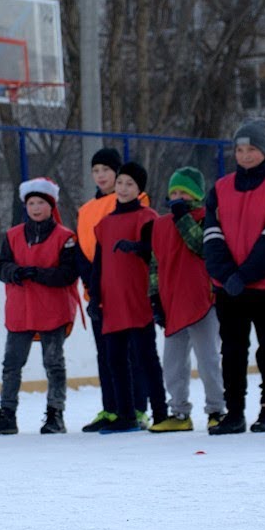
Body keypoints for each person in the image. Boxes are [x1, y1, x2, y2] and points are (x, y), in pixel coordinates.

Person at [203, 118, 265, 434]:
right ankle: (235, 412)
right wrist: (227, 275)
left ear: (264, 151)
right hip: (228, 288)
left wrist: (244, 274)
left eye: (252, 149)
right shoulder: (219, 188)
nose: (245, 155)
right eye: (240, 149)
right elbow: (211, 235)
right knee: (232, 351)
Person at [0, 177, 80, 436]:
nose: (35, 207)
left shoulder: (66, 237)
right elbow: (1, 267)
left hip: (52, 310)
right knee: (11, 364)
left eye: (41, 203)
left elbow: (68, 273)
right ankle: (7, 414)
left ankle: (55, 414)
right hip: (20, 310)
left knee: (53, 363)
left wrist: (37, 274)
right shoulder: (12, 236)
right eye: (31, 203)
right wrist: (15, 272)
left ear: (51, 205)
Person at [89, 162, 168, 433]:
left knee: (146, 358)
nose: (123, 188)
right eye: (120, 182)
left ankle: (160, 412)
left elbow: (154, 253)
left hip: (138, 298)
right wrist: (94, 298)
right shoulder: (105, 224)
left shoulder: (147, 218)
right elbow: (98, 265)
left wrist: (136, 246)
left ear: (139, 189)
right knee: (115, 360)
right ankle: (126, 415)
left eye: (129, 184)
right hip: (112, 302)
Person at [146, 167, 226, 433]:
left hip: (203, 300)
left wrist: (183, 217)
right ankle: (179, 412)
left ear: (196, 195)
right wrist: (155, 298)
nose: (177, 197)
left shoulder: (207, 219)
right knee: (173, 362)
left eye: (183, 192)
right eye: (174, 192)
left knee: (209, 359)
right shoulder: (160, 225)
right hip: (173, 303)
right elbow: (155, 264)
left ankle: (216, 409)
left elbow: (201, 247)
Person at [75, 148, 149, 432]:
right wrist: (92, 281)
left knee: (132, 351)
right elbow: (83, 250)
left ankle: (137, 407)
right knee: (106, 354)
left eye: (107, 170)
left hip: (124, 287)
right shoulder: (85, 210)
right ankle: (111, 408)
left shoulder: (134, 203)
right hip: (97, 288)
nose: (101, 175)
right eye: (96, 170)